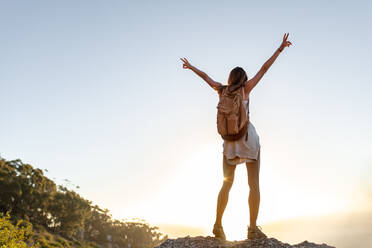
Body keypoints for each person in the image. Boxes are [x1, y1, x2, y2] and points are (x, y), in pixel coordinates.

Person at [180, 33, 292, 240]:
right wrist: (280, 49)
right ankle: (252, 228)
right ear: (243, 79)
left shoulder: (221, 90)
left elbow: (206, 77)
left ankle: (218, 224)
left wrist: (191, 66)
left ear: (230, 78)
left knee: (226, 183)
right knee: (254, 185)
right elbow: (264, 69)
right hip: (248, 141)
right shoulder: (246, 90)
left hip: (229, 144)